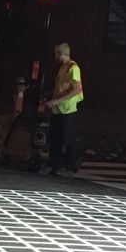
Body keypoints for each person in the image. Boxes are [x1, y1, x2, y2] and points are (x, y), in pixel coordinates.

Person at [38, 41, 84, 175]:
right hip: (57, 109)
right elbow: (60, 87)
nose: (55, 57)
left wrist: (57, 100)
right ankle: (53, 165)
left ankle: (70, 167)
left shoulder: (73, 68)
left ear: (61, 54)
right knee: (54, 138)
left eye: (56, 54)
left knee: (67, 139)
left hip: (68, 110)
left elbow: (77, 89)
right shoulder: (63, 68)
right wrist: (49, 96)